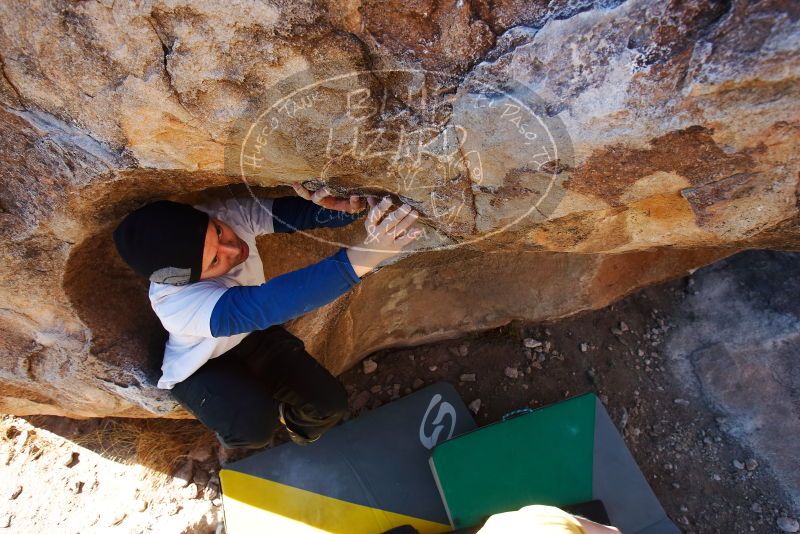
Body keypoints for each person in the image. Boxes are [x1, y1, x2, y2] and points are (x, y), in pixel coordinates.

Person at [112, 182, 422, 448]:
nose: (232, 249)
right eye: (215, 261)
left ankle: (290, 425)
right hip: (201, 365)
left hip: (251, 337)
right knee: (254, 426)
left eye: (218, 233)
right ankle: (236, 419)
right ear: (189, 279)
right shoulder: (175, 303)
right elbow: (263, 305)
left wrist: (341, 209)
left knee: (329, 406)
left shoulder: (222, 215)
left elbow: (287, 216)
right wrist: (368, 255)